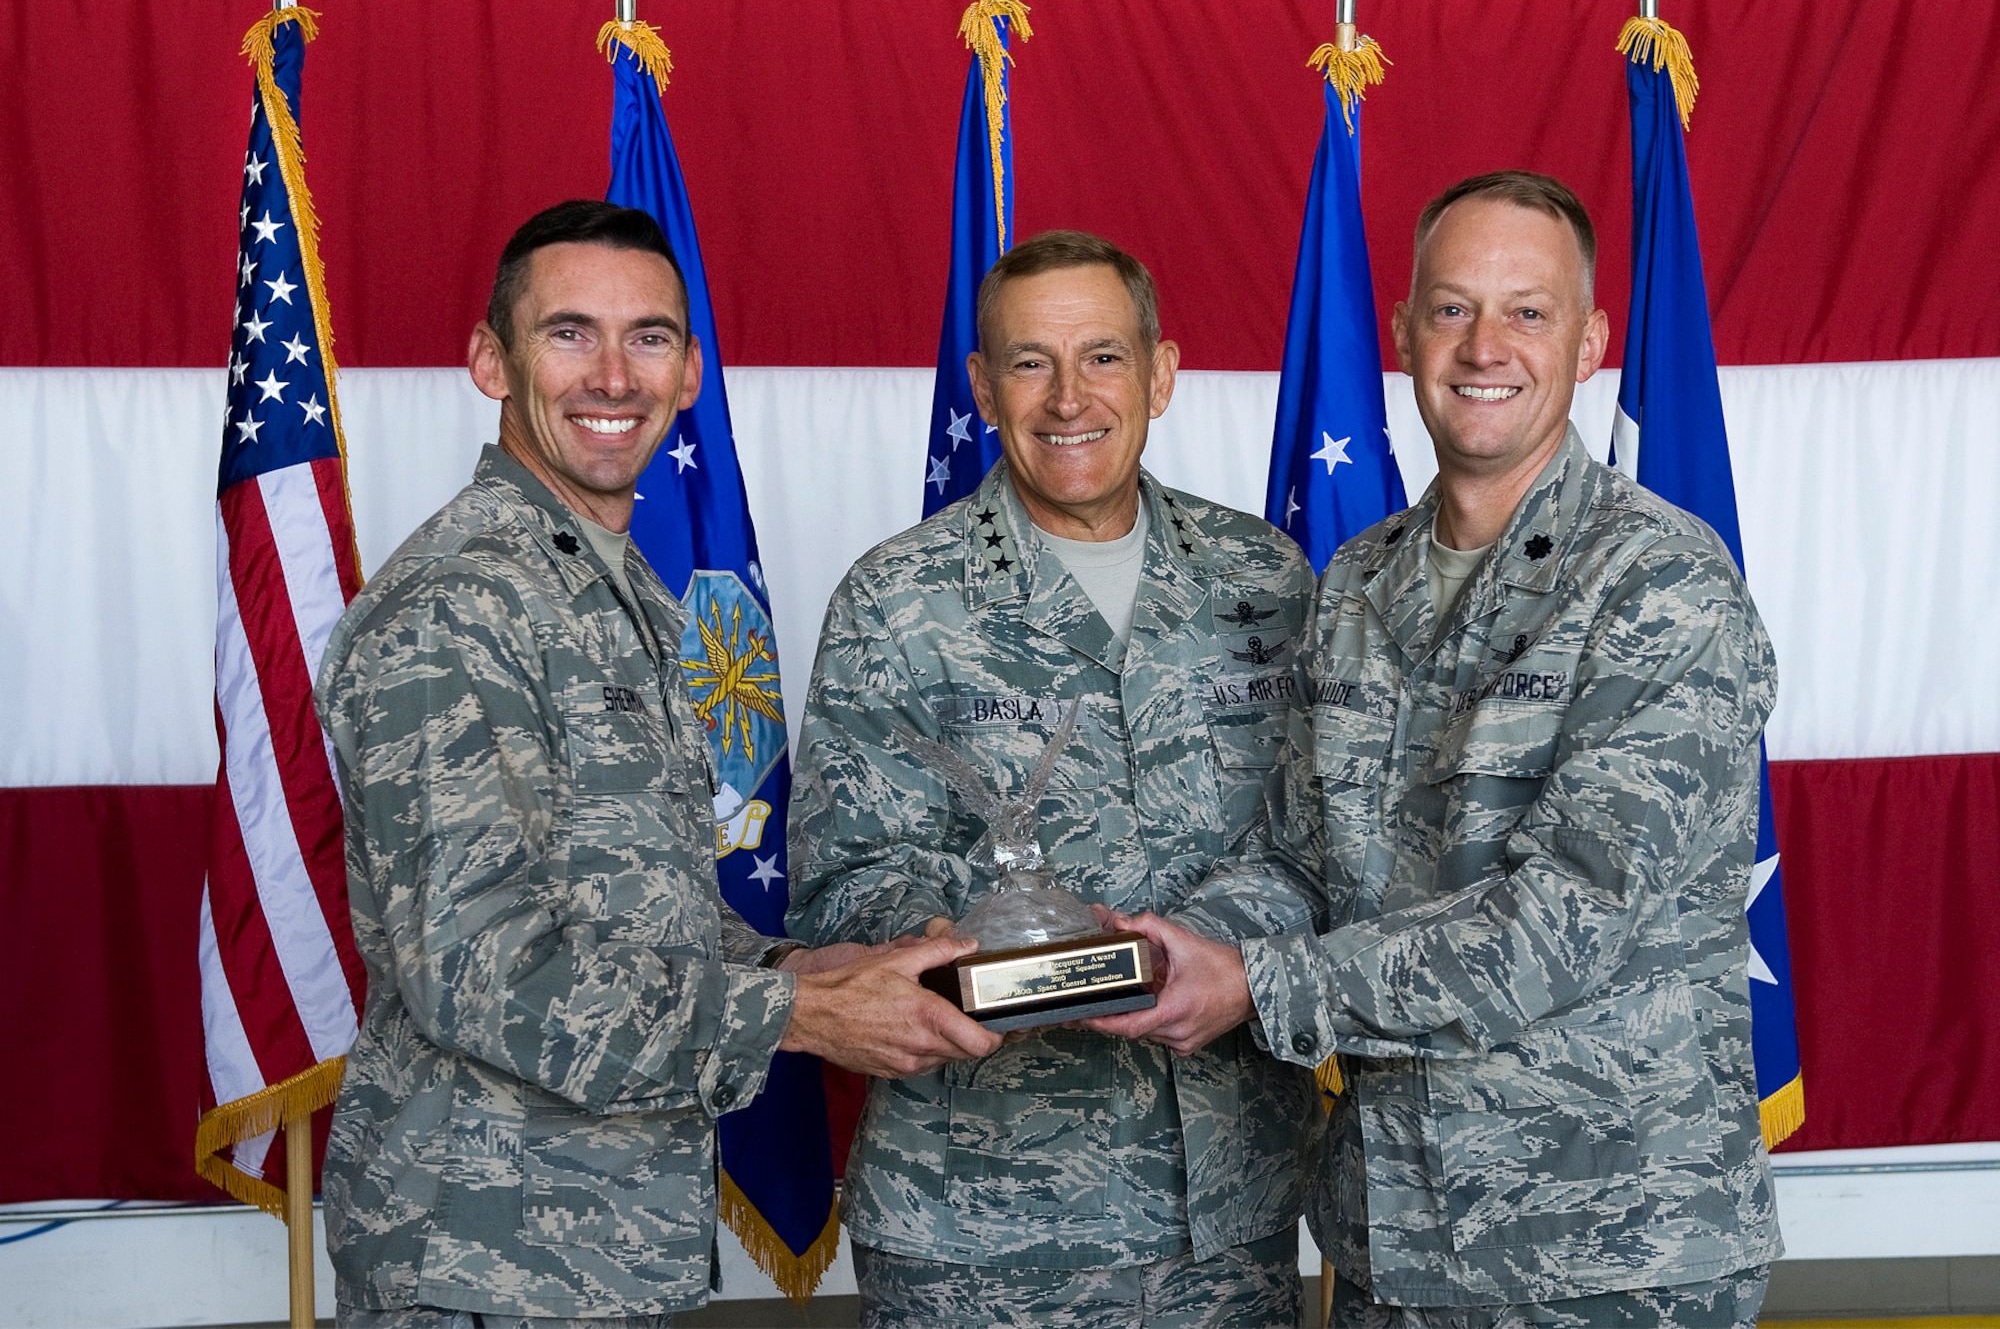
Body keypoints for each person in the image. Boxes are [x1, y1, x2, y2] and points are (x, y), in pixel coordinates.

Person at [1090, 172, 1784, 1326]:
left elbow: (1562, 923)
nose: (1483, 347)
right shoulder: (1360, 581)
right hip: (1389, 1243)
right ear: (1404, 334)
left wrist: (1255, 983)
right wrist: (1157, 947)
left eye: (1527, 310)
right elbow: (1301, 859)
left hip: (1607, 1254)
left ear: (1589, 339)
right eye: (1452, 309)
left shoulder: (1660, 586)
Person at [315, 199, 1000, 1327]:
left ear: (689, 373)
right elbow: (480, 971)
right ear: (491, 360)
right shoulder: (458, 608)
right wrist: (798, 1021)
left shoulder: (611, 586)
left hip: (600, 1245)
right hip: (480, 1258)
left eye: (648, 338)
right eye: (569, 332)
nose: (613, 375)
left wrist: (824, 966)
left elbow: (641, 908)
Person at [786, 230, 1324, 1328]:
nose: (1067, 397)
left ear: (1160, 373)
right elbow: (842, 885)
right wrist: (994, 950)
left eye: (1103, 357)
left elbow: (1310, 843)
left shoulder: (1264, 580)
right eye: (1029, 362)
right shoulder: (895, 598)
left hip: (1227, 1203)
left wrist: (1197, 954)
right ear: (983, 386)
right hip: (979, 1220)